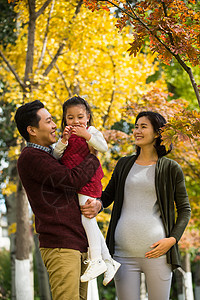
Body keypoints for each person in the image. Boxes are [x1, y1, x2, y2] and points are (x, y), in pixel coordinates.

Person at [84, 111, 191, 300]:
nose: (137, 131)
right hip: (122, 253)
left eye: (143, 126)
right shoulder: (124, 164)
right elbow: (107, 196)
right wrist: (97, 204)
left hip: (158, 253)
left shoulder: (170, 168)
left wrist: (172, 240)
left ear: (158, 133)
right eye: (136, 126)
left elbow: (184, 209)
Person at [14, 100, 101, 300]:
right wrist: (93, 156)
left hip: (77, 242)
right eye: (49, 121)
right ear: (32, 130)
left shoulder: (53, 156)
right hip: (60, 245)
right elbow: (71, 180)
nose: (55, 125)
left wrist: (97, 204)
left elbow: (79, 190)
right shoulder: (31, 157)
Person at [53, 95, 120, 285]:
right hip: (76, 180)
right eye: (71, 118)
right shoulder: (65, 135)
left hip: (89, 179)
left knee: (86, 217)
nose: (76, 122)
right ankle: (109, 261)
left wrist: (87, 136)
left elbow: (104, 147)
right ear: (65, 119)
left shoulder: (90, 131)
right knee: (88, 219)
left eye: (80, 117)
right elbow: (57, 155)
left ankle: (96, 259)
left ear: (88, 116)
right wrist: (63, 141)